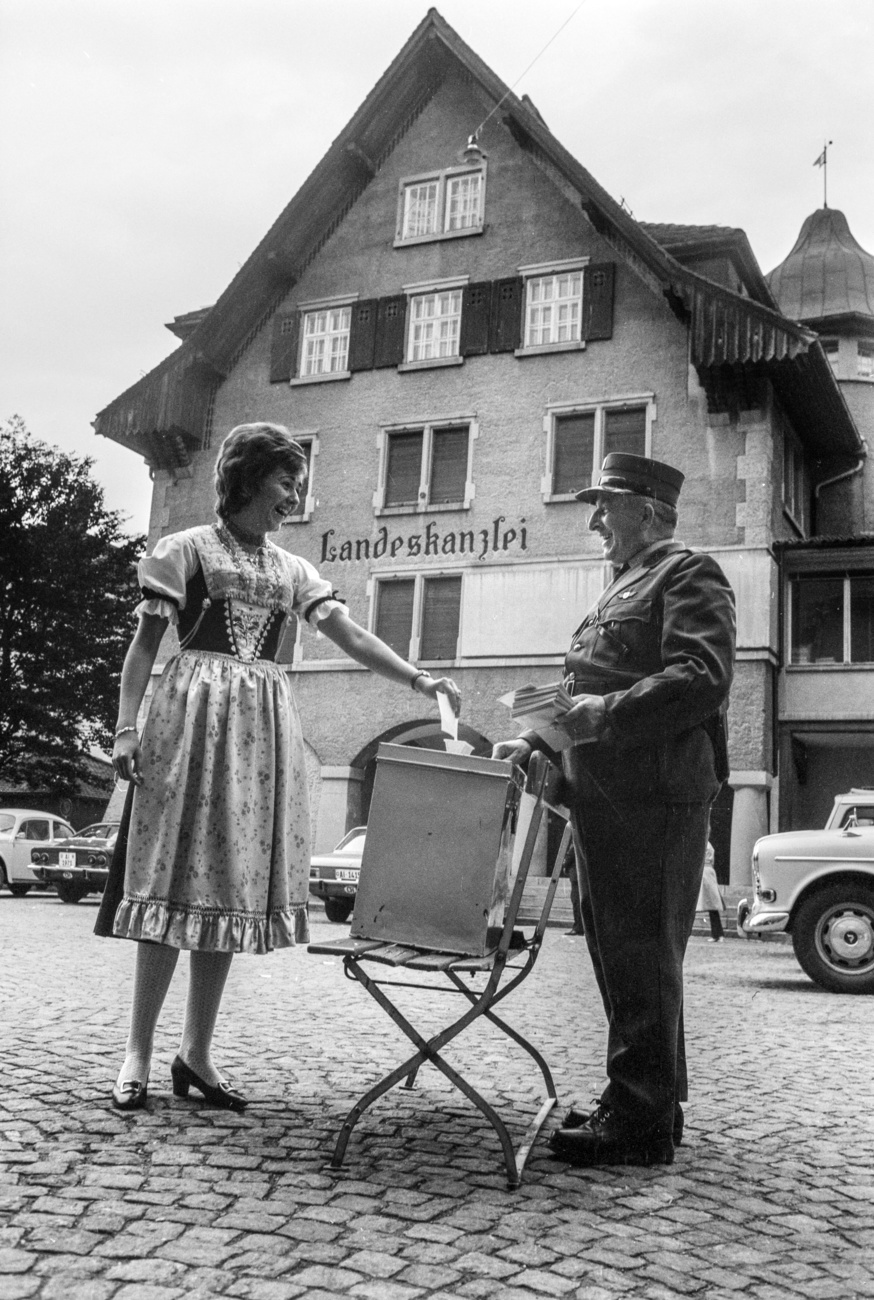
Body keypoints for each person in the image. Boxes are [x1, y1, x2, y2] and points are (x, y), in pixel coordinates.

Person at [96, 422, 461, 1113]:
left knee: (226, 886)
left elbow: (349, 635)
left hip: (258, 733)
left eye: (299, 481)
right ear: (245, 478)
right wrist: (124, 728)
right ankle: (138, 1051)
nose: (294, 494)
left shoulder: (293, 571)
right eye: (285, 479)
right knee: (169, 880)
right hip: (188, 720)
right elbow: (144, 649)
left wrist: (422, 682)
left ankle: (196, 1053)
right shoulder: (184, 551)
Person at [493, 452, 735, 1167]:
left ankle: (637, 1125)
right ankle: (648, 1102)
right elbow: (588, 683)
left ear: (649, 510)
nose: (595, 519)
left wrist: (602, 713)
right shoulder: (621, 583)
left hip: (654, 795)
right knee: (623, 957)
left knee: (642, 956)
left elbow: (701, 677)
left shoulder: (690, 572)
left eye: (606, 504)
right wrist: (535, 733)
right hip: (606, 796)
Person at [697, 841, 725, 942]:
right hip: (708, 871)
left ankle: (718, 934)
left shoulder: (705, 844)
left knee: (712, 908)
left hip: (706, 873)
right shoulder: (708, 845)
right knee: (712, 909)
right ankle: (717, 934)